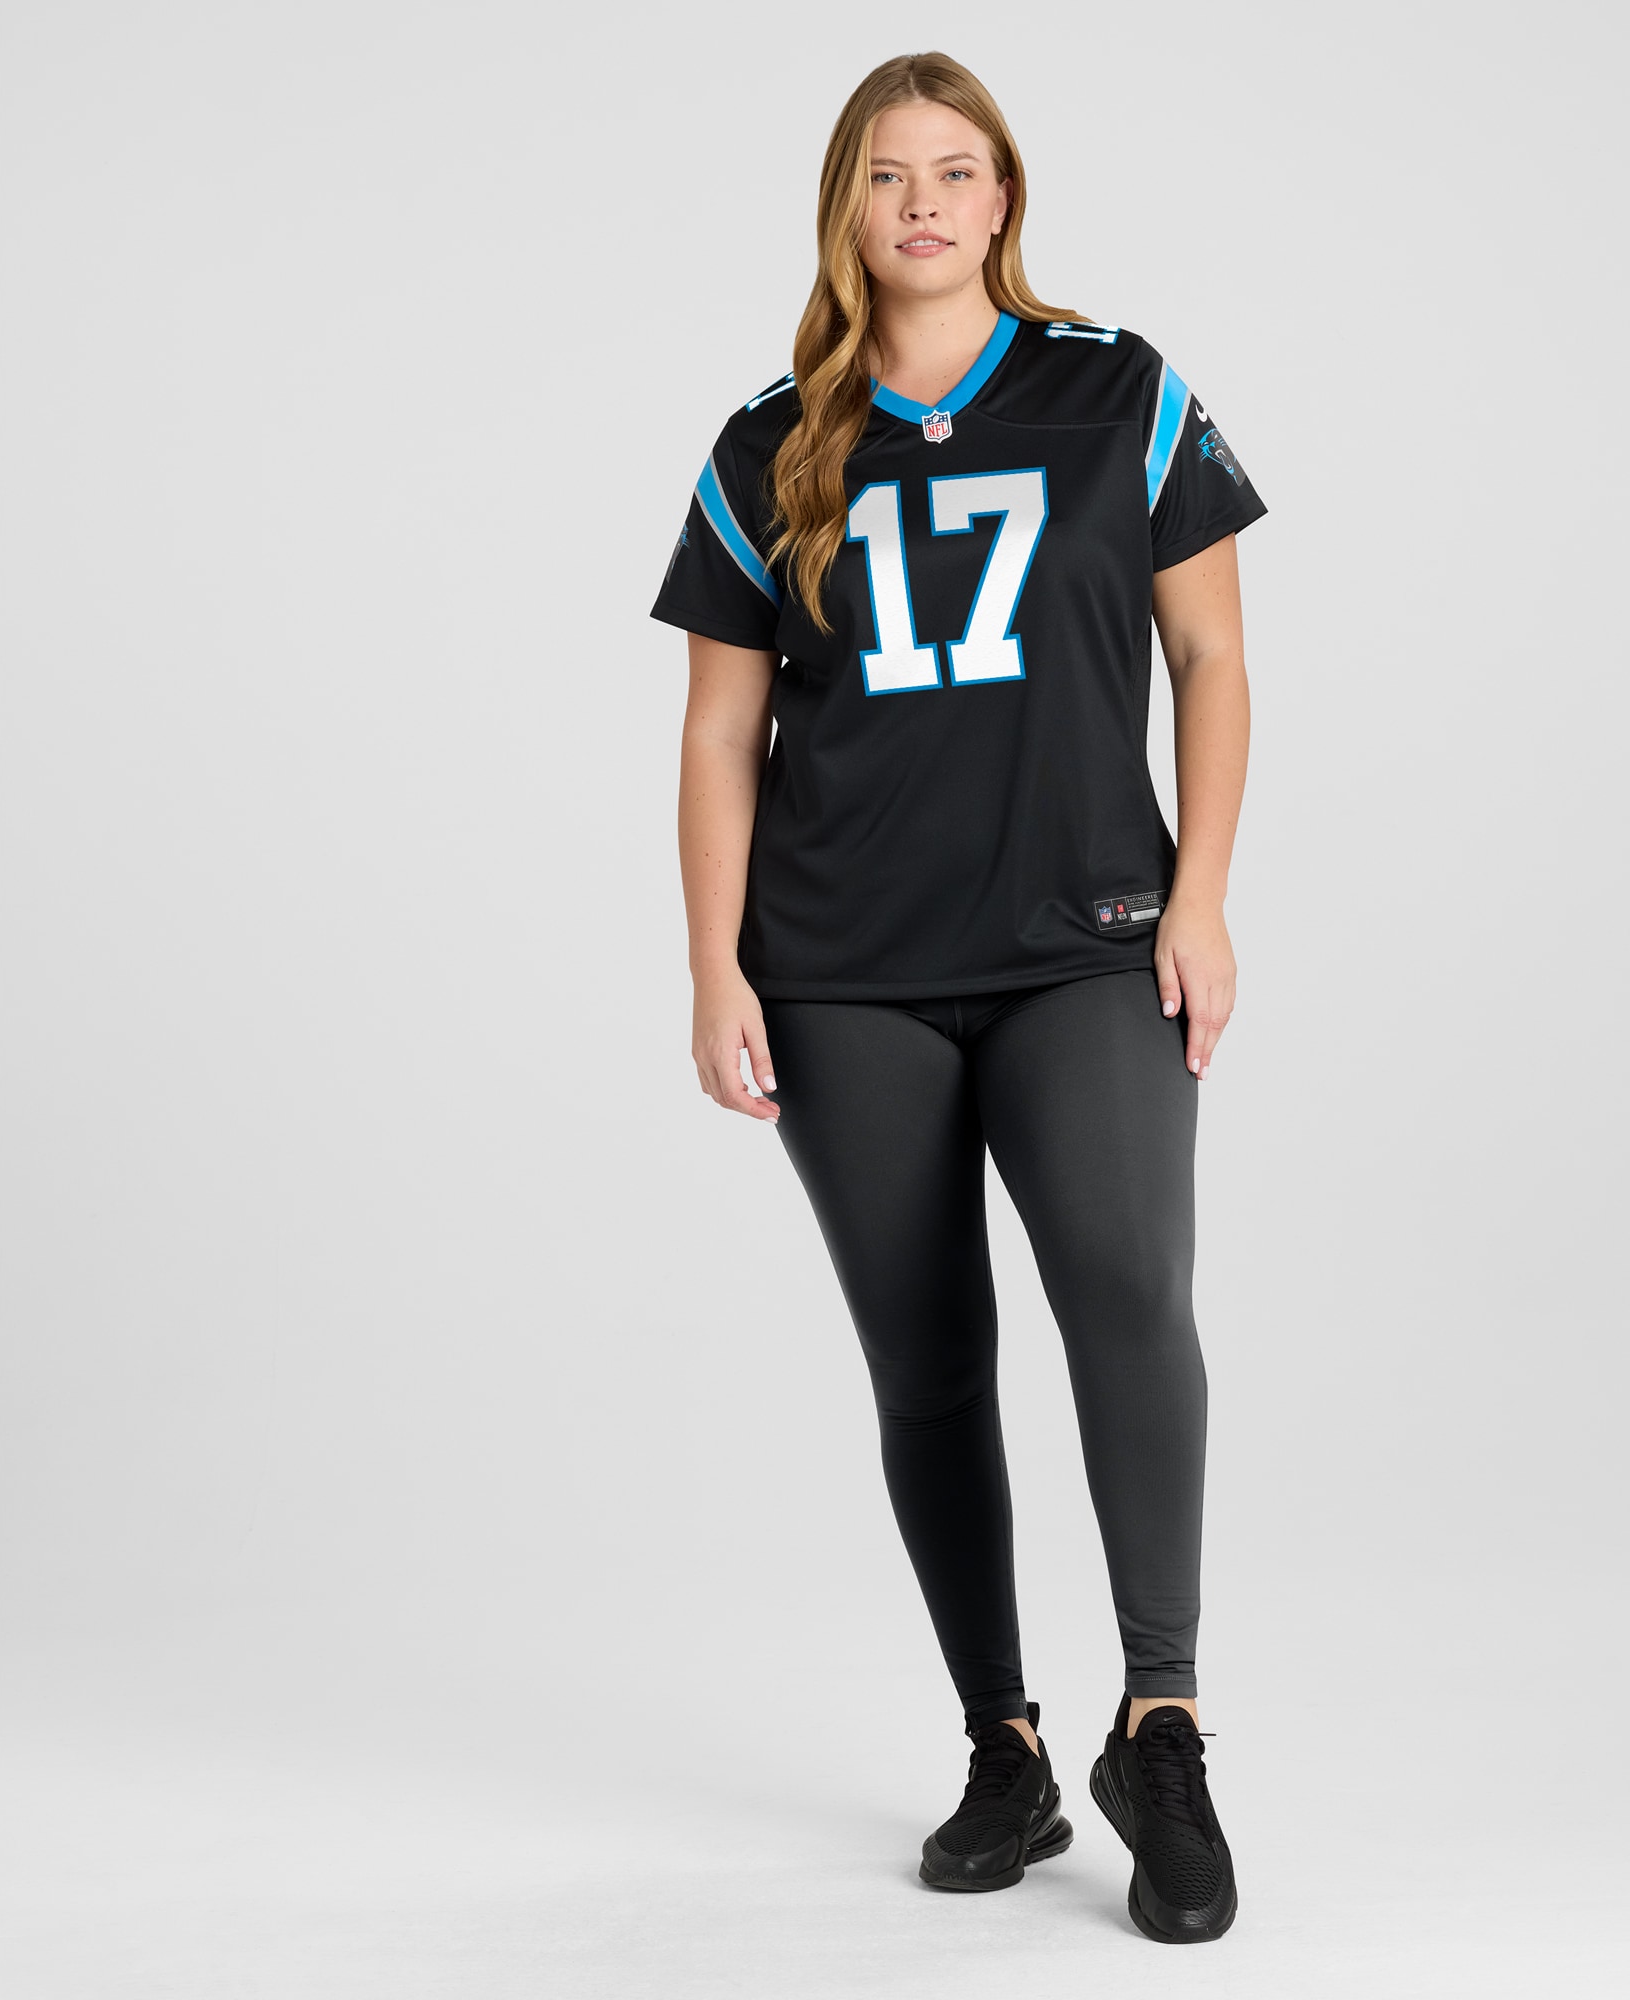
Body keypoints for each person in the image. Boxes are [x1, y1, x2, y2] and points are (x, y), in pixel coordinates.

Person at [651, 51, 1264, 1946]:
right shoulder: (770, 444)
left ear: (1005, 199)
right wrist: (714, 967)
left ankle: (1160, 1725)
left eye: (958, 170)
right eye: (887, 174)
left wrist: (1202, 898)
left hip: (1086, 937)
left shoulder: (1117, 391)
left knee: (1128, 1296)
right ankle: (1003, 1742)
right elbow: (721, 732)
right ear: (846, 206)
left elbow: (1212, 660)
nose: (922, 203)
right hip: (846, 972)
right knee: (927, 1361)